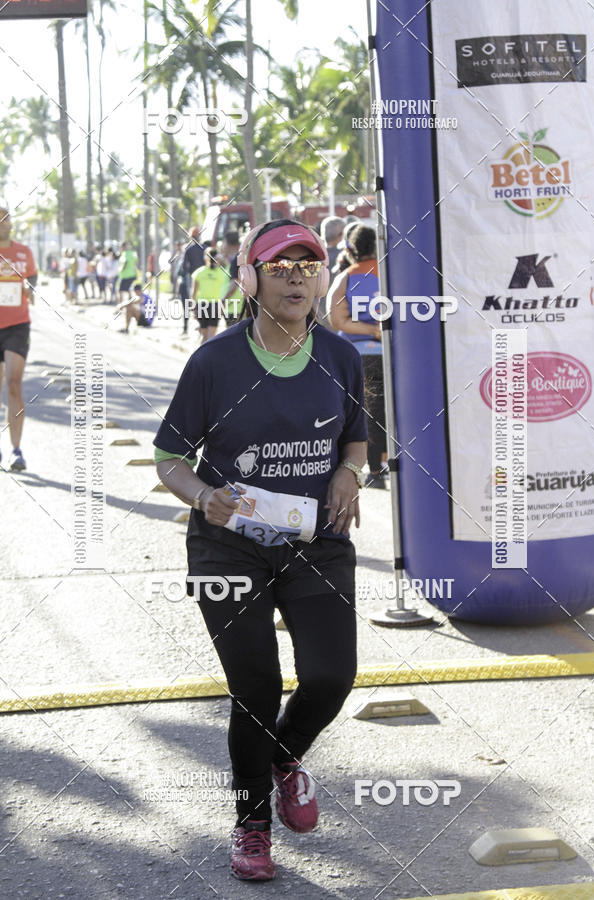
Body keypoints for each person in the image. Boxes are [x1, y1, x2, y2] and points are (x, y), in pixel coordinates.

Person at [153, 218, 367, 881]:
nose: (297, 276)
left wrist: (349, 471)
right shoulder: (214, 362)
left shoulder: (340, 358)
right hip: (229, 548)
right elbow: (168, 459)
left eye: (309, 265)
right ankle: (252, 825)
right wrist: (202, 497)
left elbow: (356, 438)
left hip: (316, 540)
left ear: (323, 276)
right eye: (280, 266)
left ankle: (285, 754)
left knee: (331, 677)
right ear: (250, 280)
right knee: (257, 687)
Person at [327, 223, 388, 488]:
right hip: (393, 355)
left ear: (351, 249)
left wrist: (369, 330)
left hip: (358, 357)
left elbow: (336, 319)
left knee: (367, 414)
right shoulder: (392, 274)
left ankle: (374, 471)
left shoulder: (347, 277)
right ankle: (390, 464)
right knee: (391, 411)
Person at [0, 206, 37, 471]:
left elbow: (33, 279)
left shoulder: (24, 252)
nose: (3, 222)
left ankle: (16, 450)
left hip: (17, 325)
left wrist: (30, 288)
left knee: (13, 384)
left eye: (5, 217)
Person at [192, 247, 230, 344]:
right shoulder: (200, 272)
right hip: (208, 305)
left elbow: (193, 293)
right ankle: (202, 357)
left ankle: (202, 357)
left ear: (205, 258)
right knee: (208, 336)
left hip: (210, 305)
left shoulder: (200, 272)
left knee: (206, 336)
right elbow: (194, 293)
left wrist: (193, 309)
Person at [220, 230, 245, 327]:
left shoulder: (236, 260)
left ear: (229, 243)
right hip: (241, 307)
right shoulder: (243, 257)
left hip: (234, 307)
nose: (223, 245)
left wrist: (223, 301)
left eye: (224, 242)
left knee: (233, 340)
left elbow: (235, 283)